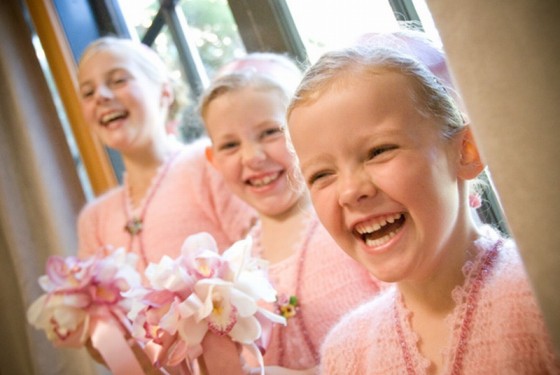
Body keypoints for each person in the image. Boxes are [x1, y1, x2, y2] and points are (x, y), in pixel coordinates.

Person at [286, 34, 560, 374]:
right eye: (321, 175)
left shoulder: (542, 298)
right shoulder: (346, 354)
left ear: (466, 151)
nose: (350, 191)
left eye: (379, 151)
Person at [76, 36, 255, 374]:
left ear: (164, 91)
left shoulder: (208, 163)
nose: (101, 95)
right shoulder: (94, 219)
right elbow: (107, 343)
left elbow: (266, 258)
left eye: (118, 80)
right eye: (88, 92)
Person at [199, 52, 384, 373]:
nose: (253, 157)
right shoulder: (235, 263)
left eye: (271, 132)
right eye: (230, 146)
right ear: (213, 160)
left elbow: (406, 325)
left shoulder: (352, 220)